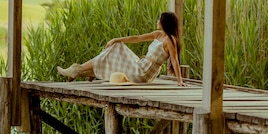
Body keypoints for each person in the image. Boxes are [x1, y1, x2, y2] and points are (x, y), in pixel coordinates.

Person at [57, 11, 187, 86]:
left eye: (160, 19)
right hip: (141, 65)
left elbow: (175, 60)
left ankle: (78, 70)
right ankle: (80, 70)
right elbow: (137, 38)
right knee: (117, 46)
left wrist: (179, 81)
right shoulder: (158, 34)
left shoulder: (170, 40)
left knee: (115, 50)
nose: (157, 20)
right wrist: (117, 39)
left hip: (143, 73)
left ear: (165, 22)